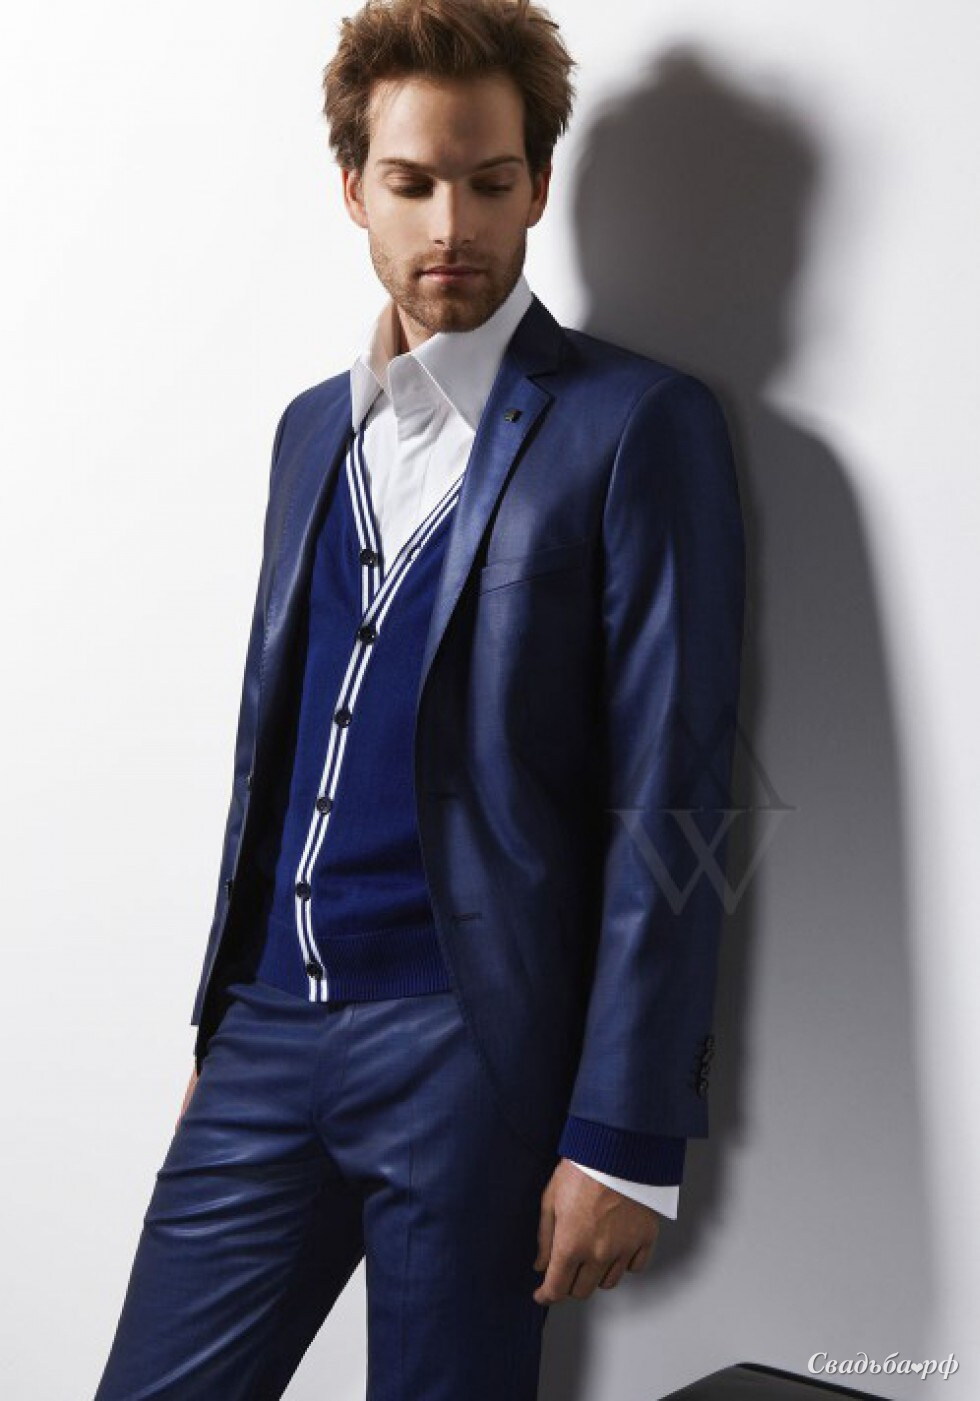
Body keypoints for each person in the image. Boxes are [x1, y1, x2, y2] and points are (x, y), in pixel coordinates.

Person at [93, 1, 745, 1397]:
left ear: (539, 185)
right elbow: (276, 742)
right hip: (268, 1027)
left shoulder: (634, 426)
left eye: (490, 182)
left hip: (471, 1048)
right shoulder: (307, 432)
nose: (454, 224)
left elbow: (678, 798)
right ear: (354, 189)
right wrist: (225, 1025)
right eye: (412, 182)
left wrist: (628, 1133)